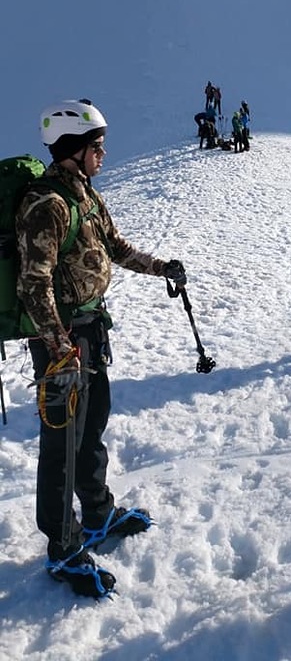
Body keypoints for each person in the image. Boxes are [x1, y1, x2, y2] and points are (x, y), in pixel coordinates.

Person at [16, 98, 188, 598]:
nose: (104, 153)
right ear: (72, 149)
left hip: (90, 332)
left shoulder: (85, 196)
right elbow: (34, 283)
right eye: (96, 145)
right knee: (60, 445)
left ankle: (97, 512)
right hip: (62, 342)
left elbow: (112, 245)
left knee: (92, 427)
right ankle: (63, 547)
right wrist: (59, 346)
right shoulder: (45, 204)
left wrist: (161, 268)